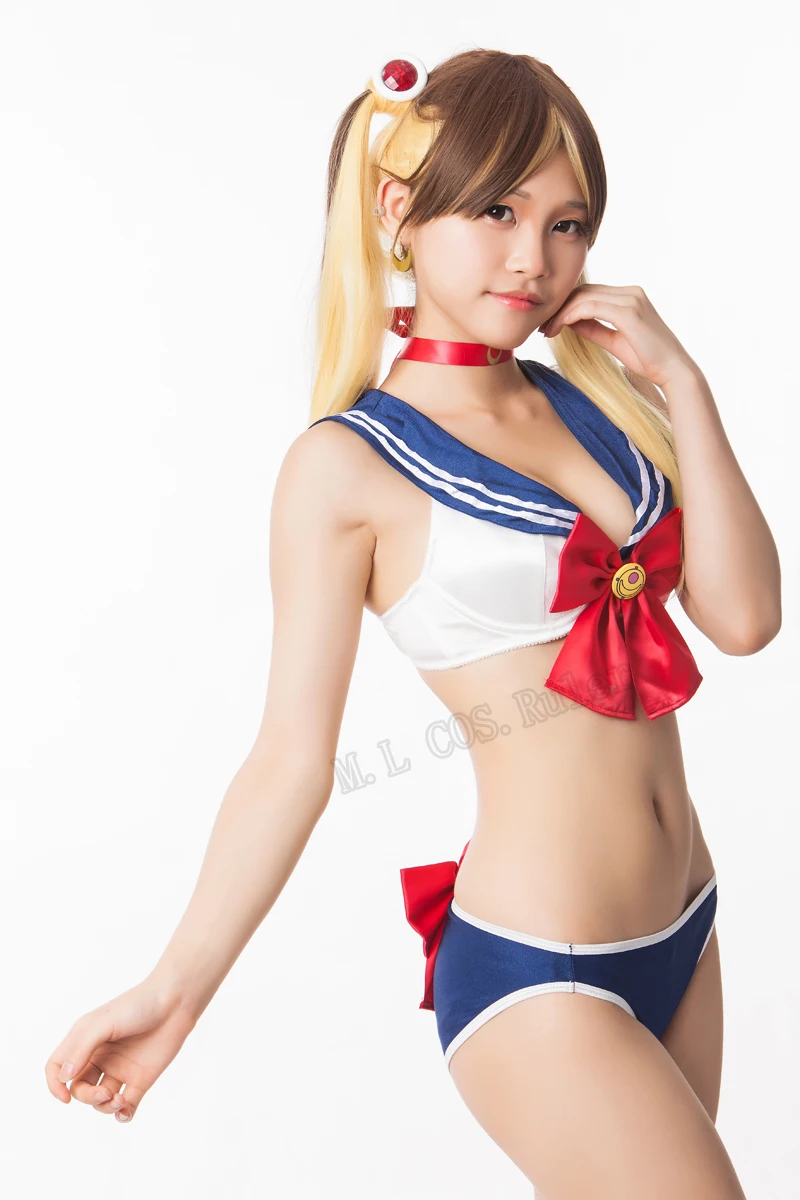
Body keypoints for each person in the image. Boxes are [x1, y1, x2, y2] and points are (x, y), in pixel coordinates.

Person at [45, 48, 780, 1197]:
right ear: (398, 209)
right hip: (544, 969)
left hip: (683, 927)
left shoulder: (592, 401)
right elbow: (290, 760)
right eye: (496, 211)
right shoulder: (345, 469)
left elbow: (740, 619)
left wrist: (683, 385)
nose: (532, 258)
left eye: (567, 225)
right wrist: (173, 991)